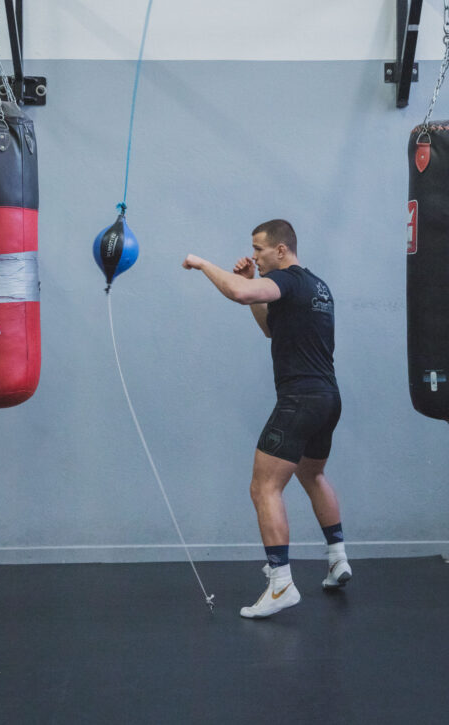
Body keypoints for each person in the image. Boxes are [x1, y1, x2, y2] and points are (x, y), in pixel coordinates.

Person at [182, 219, 350, 619]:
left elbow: (239, 293)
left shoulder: (289, 280)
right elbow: (271, 331)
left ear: (281, 249)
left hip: (301, 400)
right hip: (327, 398)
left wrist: (203, 264)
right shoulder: (316, 286)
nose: (254, 255)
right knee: (313, 476)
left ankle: (281, 584)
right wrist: (255, 289)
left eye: (258, 249)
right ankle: (338, 558)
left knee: (264, 488)